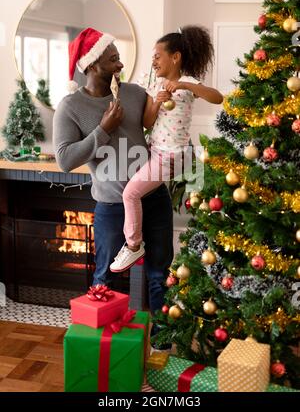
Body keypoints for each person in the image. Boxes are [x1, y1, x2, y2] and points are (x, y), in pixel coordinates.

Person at [53, 28, 174, 328]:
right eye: (113, 59)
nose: (120, 65)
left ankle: (162, 343)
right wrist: (103, 129)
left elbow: (162, 116)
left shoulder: (133, 93)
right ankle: (104, 345)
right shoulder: (70, 107)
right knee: (105, 278)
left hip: (154, 199)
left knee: (159, 274)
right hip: (111, 206)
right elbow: (65, 160)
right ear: (93, 66)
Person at [109, 25, 223, 273]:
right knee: (135, 191)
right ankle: (140, 240)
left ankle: (133, 245)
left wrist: (184, 86)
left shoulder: (189, 83)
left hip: (172, 156)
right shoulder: (156, 85)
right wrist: (157, 103)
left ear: (176, 56)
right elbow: (148, 122)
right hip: (156, 151)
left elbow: (217, 97)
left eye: (157, 56)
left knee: (130, 194)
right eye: (152, 57)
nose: (154, 61)